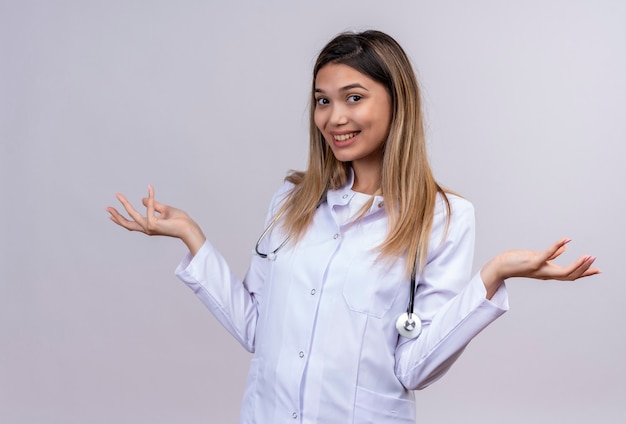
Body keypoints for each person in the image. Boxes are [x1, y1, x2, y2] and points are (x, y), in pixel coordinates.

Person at [106, 30, 599, 423]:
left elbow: (414, 369)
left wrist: (492, 276)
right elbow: (260, 330)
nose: (334, 117)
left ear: (396, 102)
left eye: (354, 97)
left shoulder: (443, 218)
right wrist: (194, 238)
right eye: (323, 100)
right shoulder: (292, 201)